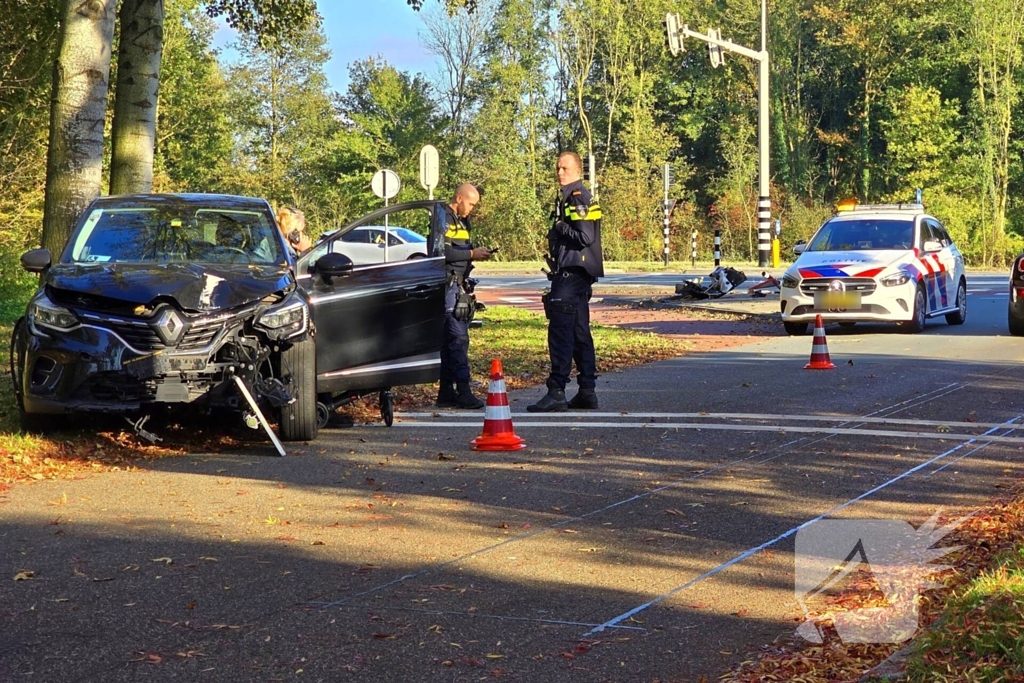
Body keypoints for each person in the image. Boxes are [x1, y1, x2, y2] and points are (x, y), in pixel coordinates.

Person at [527, 151, 604, 413]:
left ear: (578, 171)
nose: (560, 172)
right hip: (578, 274)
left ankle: (557, 391)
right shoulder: (573, 196)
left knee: (560, 332)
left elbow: (585, 236)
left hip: (572, 274)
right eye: (558, 168)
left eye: (565, 168)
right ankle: (586, 391)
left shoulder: (577, 196)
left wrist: (560, 227)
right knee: (580, 332)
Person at [437, 184, 493, 409]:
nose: (472, 209)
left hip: (458, 285)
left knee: (449, 342)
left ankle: (445, 392)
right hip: (448, 287)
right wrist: (472, 253)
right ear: (459, 198)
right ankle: (463, 391)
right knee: (459, 339)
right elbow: (442, 251)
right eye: (470, 204)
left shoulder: (461, 220)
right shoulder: (443, 217)